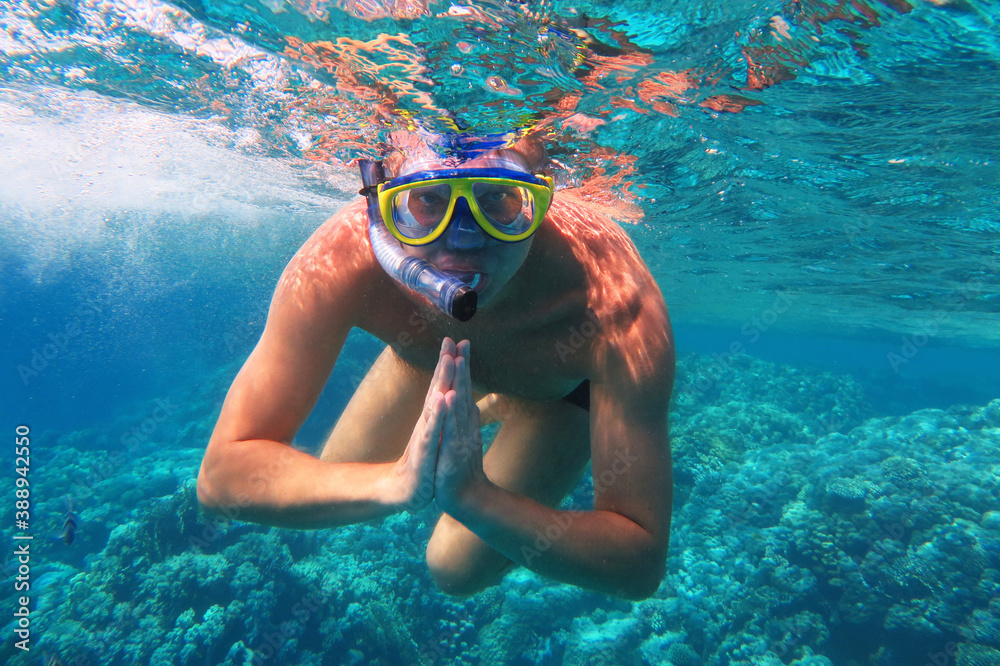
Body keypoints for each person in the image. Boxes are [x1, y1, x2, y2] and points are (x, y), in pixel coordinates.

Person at [196, 130, 675, 600]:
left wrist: (472, 496)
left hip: (559, 388)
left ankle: (520, 403)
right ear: (383, 205)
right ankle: (474, 385)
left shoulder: (615, 305)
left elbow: (638, 561)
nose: (463, 240)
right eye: (427, 201)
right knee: (340, 476)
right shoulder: (343, 257)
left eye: (496, 202)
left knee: (454, 567)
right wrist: (396, 482)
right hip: (424, 352)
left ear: (542, 200)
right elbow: (223, 474)